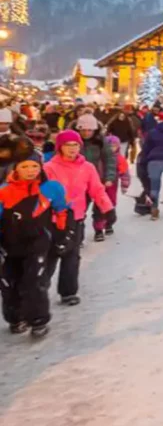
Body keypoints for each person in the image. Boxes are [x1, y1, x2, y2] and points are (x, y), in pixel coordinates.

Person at [0, 145, 70, 338]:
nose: (30, 171)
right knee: (9, 283)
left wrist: (62, 235)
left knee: (34, 280)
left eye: (34, 166)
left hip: (38, 242)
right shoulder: (4, 192)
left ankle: (38, 320)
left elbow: (62, 211)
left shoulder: (51, 188)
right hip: (10, 245)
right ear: (15, 169)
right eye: (25, 167)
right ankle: (15, 318)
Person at [43, 130, 114, 306]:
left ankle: (68, 292)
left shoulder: (87, 167)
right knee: (49, 256)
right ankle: (38, 290)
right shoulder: (49, 168)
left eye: (75, 145)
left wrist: (107, 207)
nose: (72, 149)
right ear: (60, 147)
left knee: (72, 255)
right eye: (68, 145)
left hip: (76, 217)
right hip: (52, 219)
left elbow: (96, 189)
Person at [75, 114, 117, 242]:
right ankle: (78, 235)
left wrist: (109, 177)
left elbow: (109, 159)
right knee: (79, 209)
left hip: (97, 179)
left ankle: (99, 229)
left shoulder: (100, 142)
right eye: (83, 130)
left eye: (89, 130)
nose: (86, 133)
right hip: (78, 181)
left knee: (100, 207)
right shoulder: (73, 142)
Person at [104, 134, 131, 232]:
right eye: (109, 146)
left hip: (112, 184)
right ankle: (100, 223)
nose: (111, 148)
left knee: (111, 202)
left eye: (114, 146)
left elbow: (125, 173)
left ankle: (109, 223)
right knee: (100, 204)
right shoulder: (101, 157)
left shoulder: (119, 158)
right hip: (100, 184)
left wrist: (125, 185)